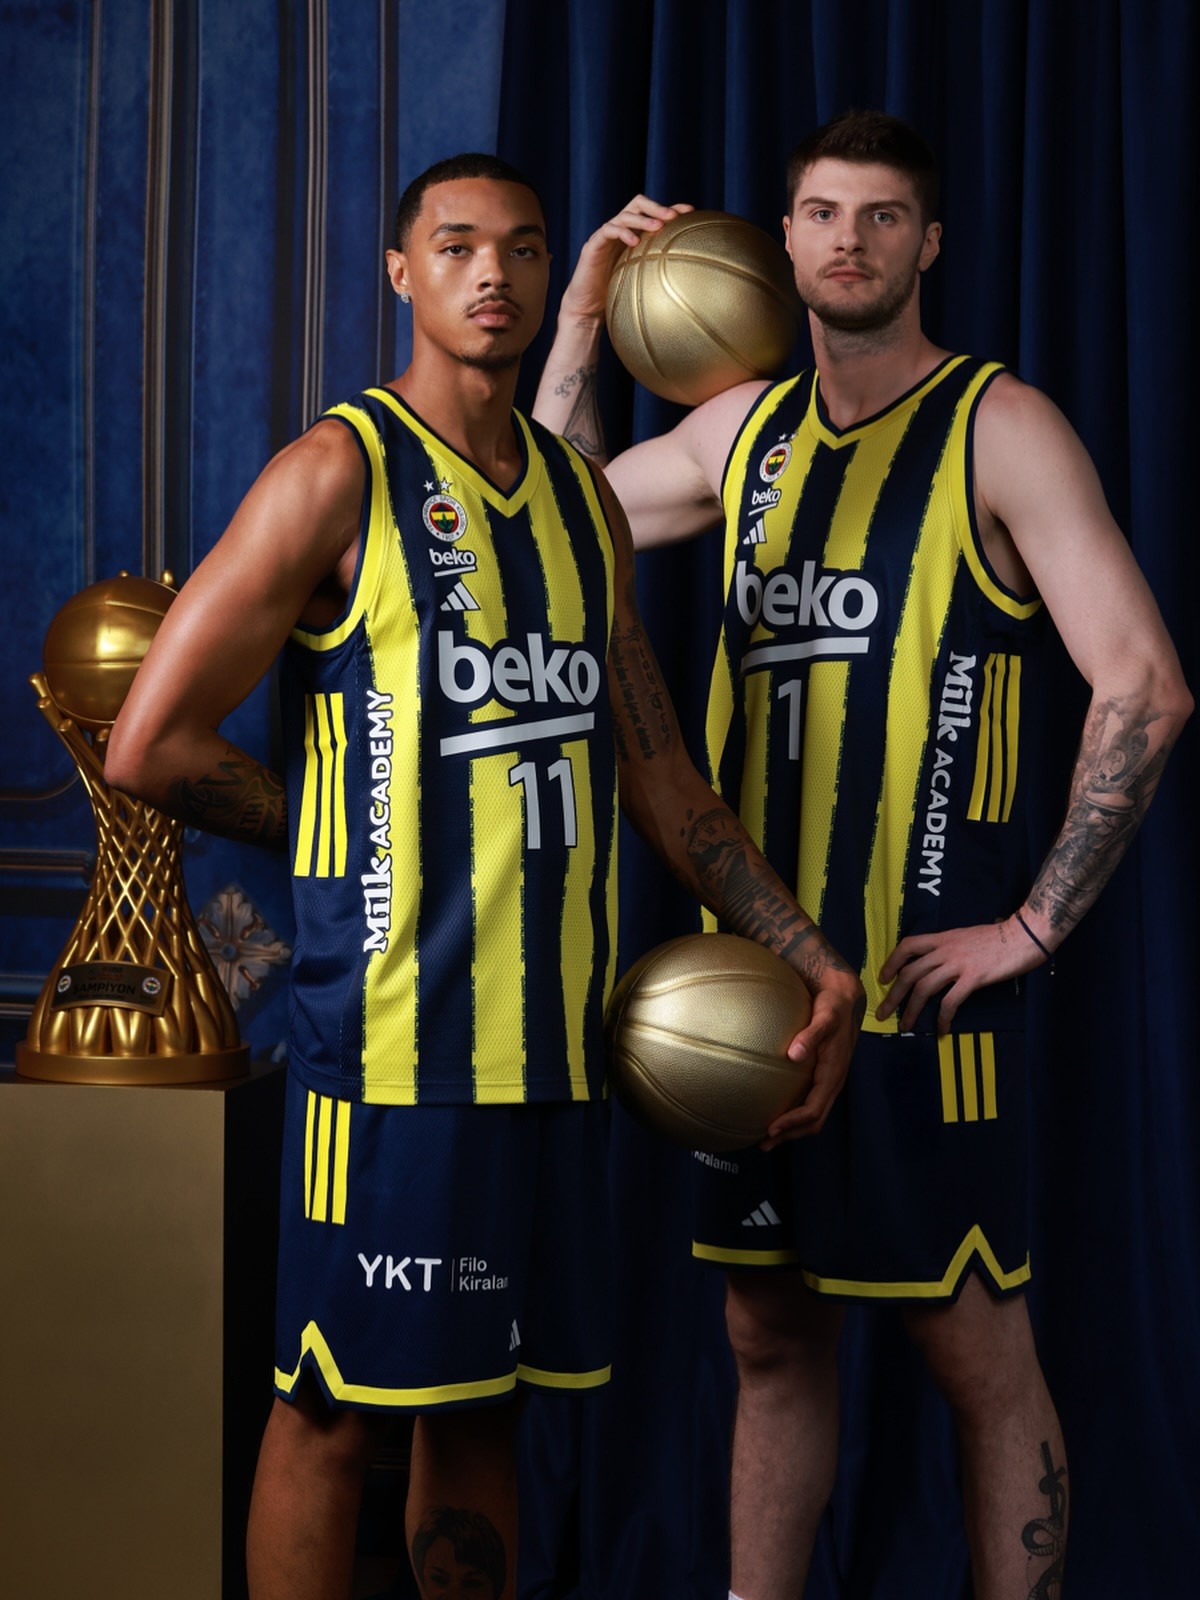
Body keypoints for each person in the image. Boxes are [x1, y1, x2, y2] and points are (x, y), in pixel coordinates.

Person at [104, 153, 862, 1600]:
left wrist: (812, 951)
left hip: (557, 1056)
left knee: (483, 1411)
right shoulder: (338, 472)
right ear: (403, 273)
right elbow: (149, 743)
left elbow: (666, 783)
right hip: (390, 1050)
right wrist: (328, 823)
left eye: (520, 247)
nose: (493, 274)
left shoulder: (583, 506)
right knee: (330, 1410)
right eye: (456, 247)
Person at [532, 110, 1192, 1599]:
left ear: (928, 242)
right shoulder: (742, 435)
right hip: (760, 995)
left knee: (974, 1347)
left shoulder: (999, 427)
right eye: (824, 214)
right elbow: (557, 526)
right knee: (767, 1335)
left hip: (921, 992)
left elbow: (1144, 683)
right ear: (784, 242)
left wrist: (1031, 928)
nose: (851, 241)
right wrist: (579, 324)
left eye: (883, 216)